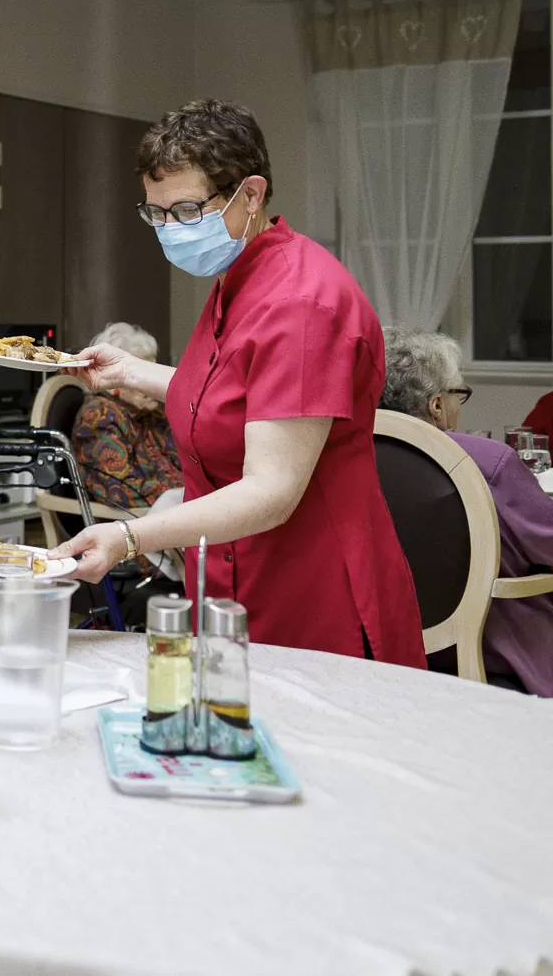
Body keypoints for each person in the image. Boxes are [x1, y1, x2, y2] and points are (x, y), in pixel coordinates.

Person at [51, 99, 425, 667]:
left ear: (250, 195)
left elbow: (271, 490)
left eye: (185, 210)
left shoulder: (301, 303)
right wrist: (130, 372)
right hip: (232, 578)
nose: (171, 231)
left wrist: (129, 537)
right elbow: (235, 394)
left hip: (313, 591)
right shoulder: (240, 277)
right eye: (156, 214)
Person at [381, 326, 553, 695]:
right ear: (437, 405)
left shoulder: (341, 456)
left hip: (384, 648)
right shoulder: (489, 462)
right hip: (494, 650)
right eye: (460, 393)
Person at [71, 321, 182, 512]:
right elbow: (120, 491)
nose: (151, 382)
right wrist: (190, 497)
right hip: (133, 526)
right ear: (113, 382)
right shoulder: (98, 416)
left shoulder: (152, 412)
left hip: (179, 509)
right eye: (142, 375)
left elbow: (186, 461)